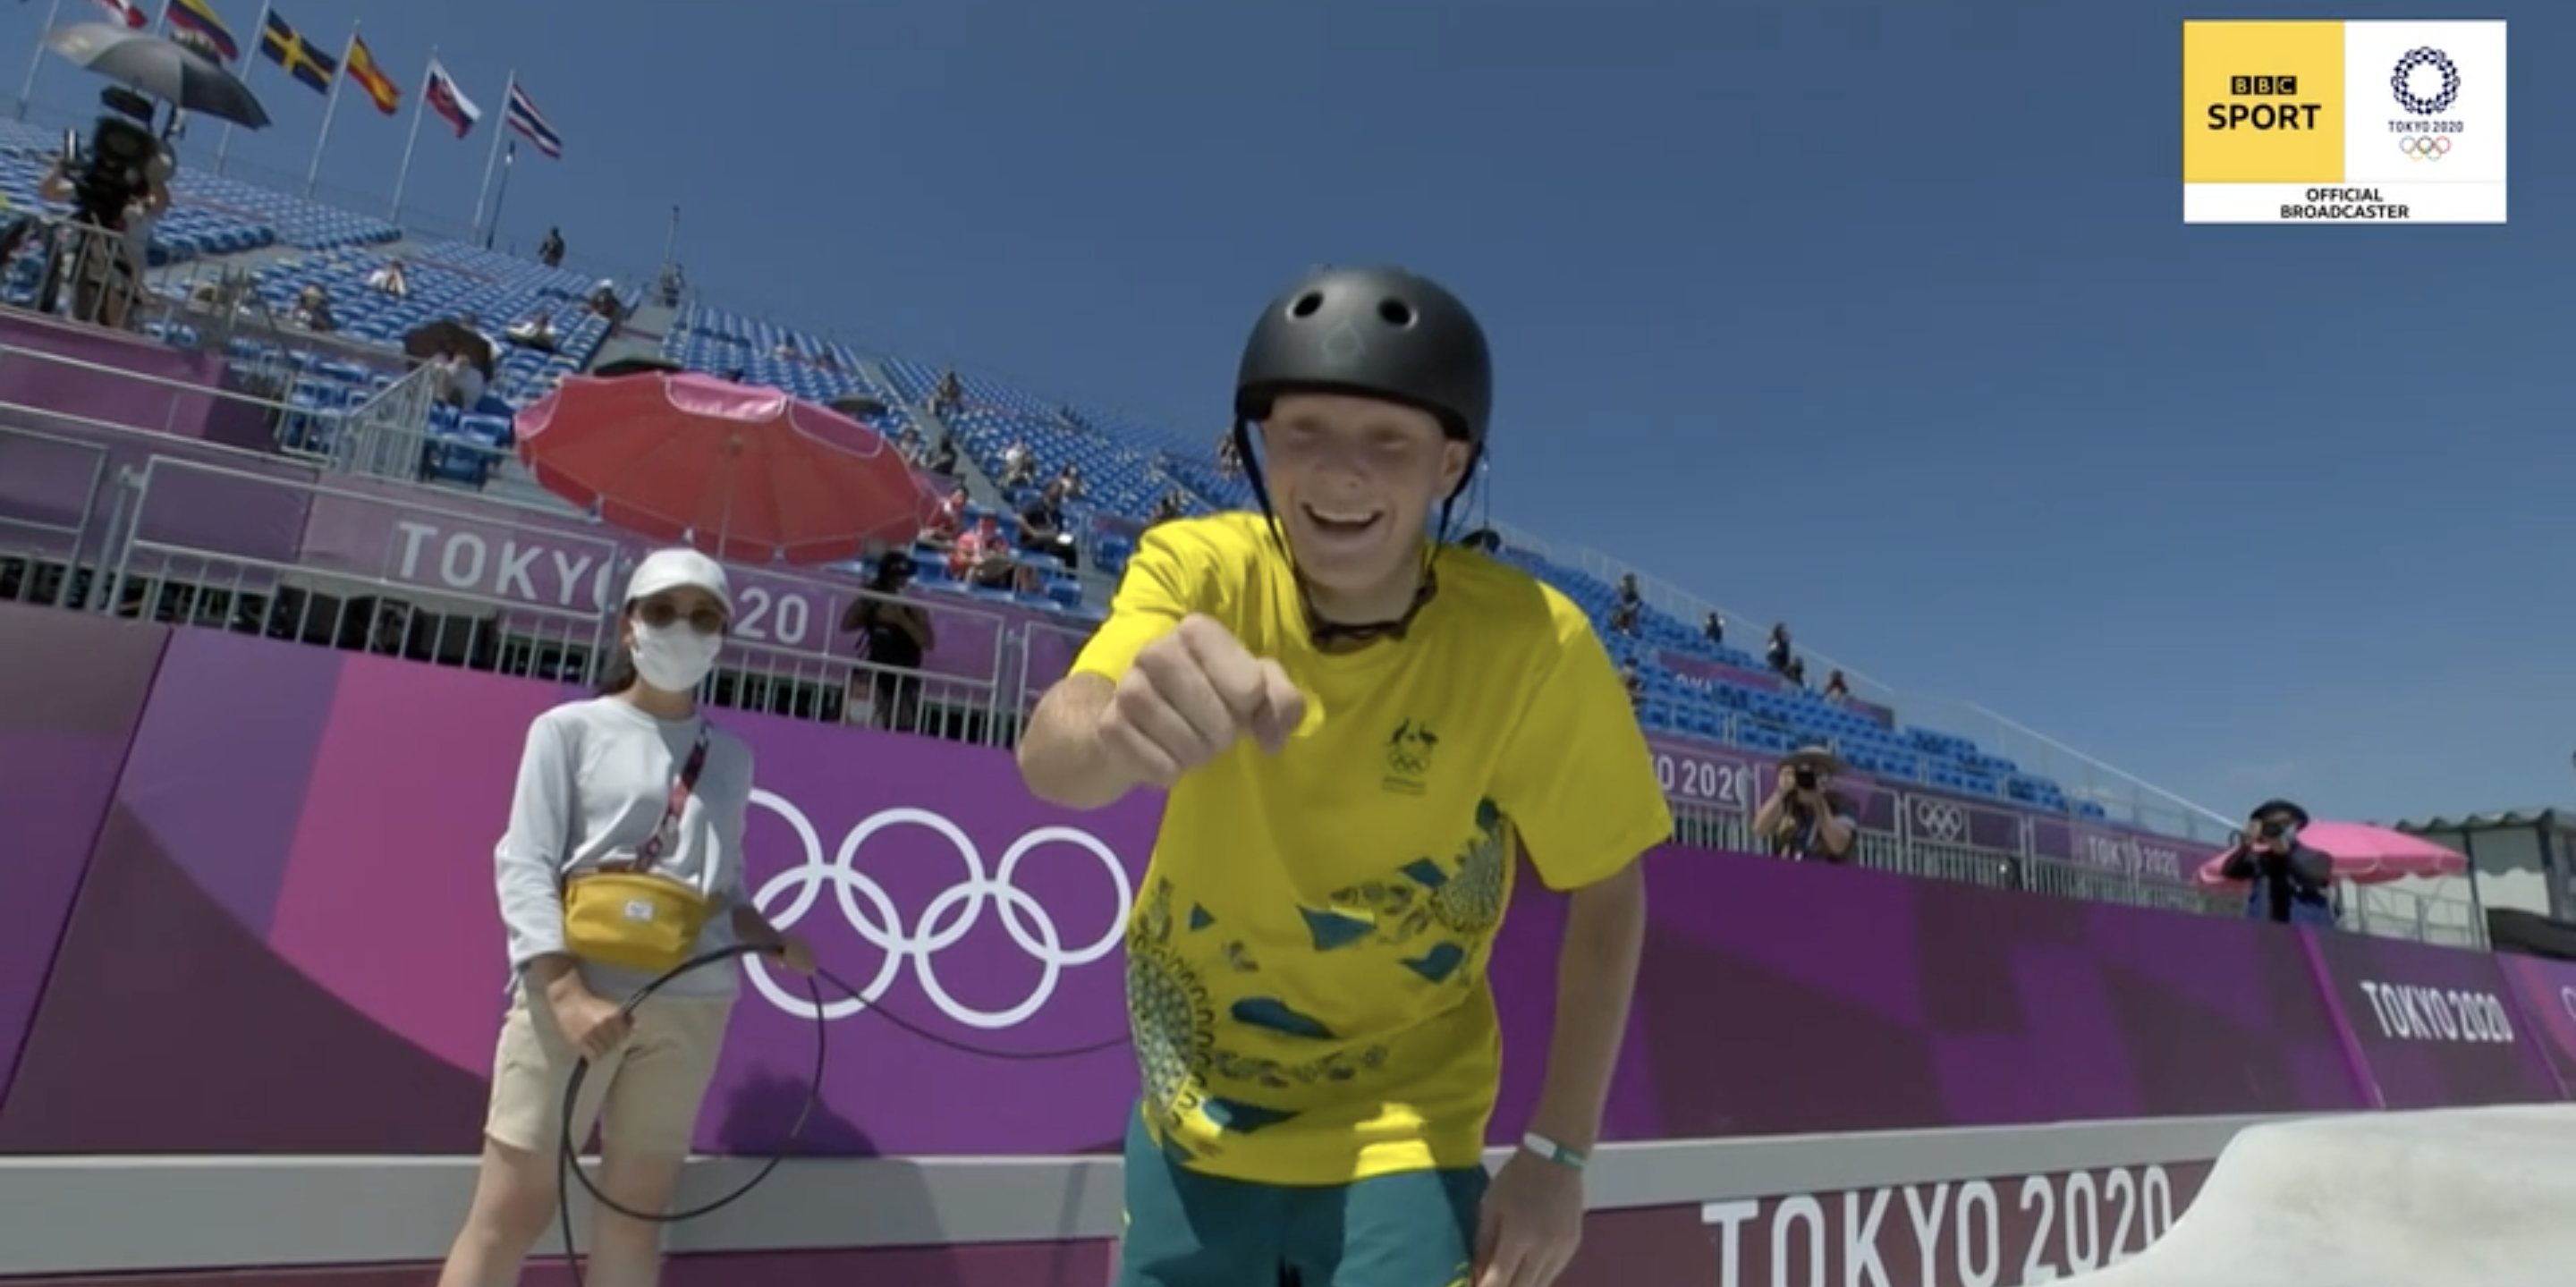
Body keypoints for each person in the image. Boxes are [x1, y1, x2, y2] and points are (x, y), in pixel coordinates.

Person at [1016, 267, 1670, 1287]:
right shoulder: (1201, 570)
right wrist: (1117, 724)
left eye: (1389, 441)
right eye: (1306, 430)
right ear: (1262, 443)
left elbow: (1610, 886)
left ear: (1450, 465)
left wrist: (1558, 1152)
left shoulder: (1535, 643)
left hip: (1403, 1119)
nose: (1340, 473)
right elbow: (1056, 755)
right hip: (1194, 1109)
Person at [434, 549, 814, 1287]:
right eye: (664, 610)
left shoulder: (731, 757)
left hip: (691, 1006)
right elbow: (525, 863)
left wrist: (768, 934)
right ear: (629, 626)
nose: (684, 628)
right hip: (570, 998)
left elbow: (720, 884)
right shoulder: (567, 729)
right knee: (511, 1208)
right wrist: (566, 992)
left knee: (638, 1209)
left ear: (723, 636)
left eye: (705, 616)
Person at [840, 551, 935, 732]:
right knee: (855, 724)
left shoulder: (914, 609)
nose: (898, 584)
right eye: (894, 579)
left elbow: (928, 643)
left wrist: (902, 619)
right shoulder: (875, 602)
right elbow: (846, 625)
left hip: (903, 676)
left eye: (902, 579)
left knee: (900, 730)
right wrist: (865, 601)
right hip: (874, 675)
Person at [2217, 798, 2334, 927]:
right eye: (2270, 826)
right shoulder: (2259, 860)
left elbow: (2315, 879)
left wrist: (2286, 855)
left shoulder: (2316, 856)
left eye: (2284, 824)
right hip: (2264, 934)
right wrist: (2246, 845)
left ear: (2296, 826)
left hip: (2305, 934)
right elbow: (2228, 871)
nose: (2277, 830)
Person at [1752, 745, 1856, 862]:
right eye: (1806, 770)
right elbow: (1759, 829)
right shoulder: (1788, 800)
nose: (1810, 776)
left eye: (1819, 771)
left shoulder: (1842, 803)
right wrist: (1780, 792)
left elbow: (1839, 845)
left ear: (1829, 777)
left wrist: (1818, 803)